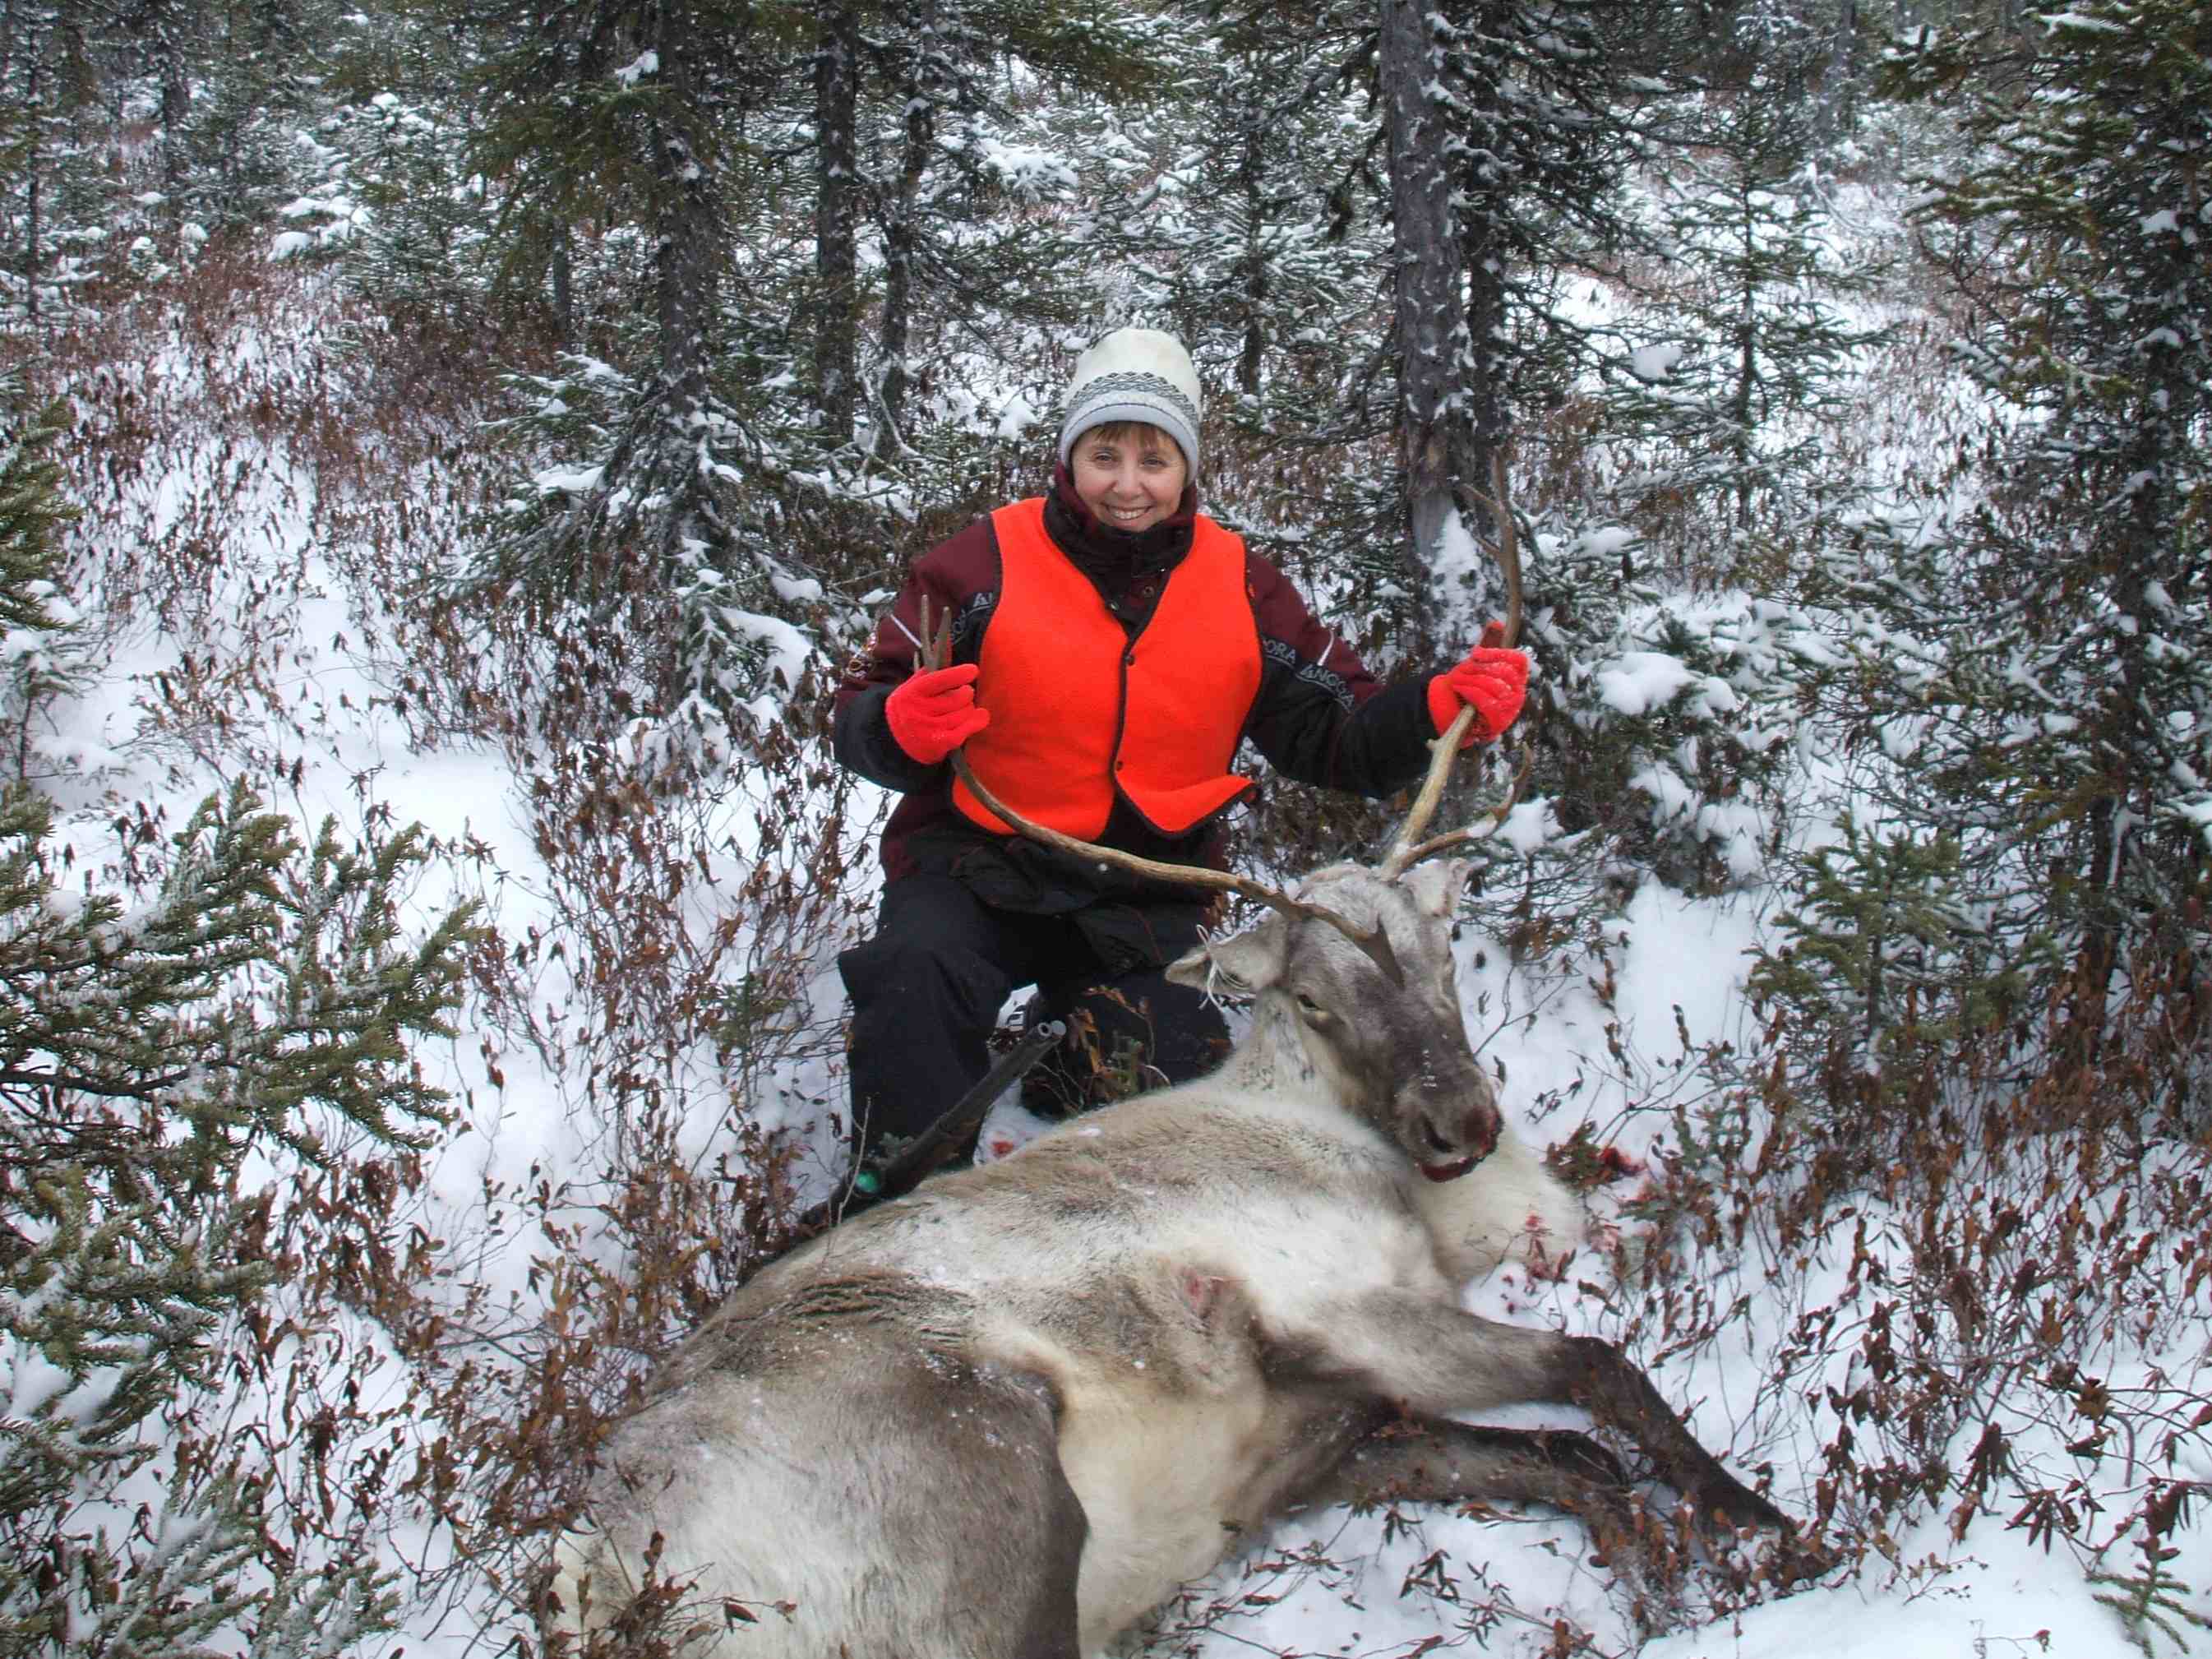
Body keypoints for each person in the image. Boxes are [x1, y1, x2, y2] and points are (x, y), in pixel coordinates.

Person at [830, 326, 1528, 1162]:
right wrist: (897, 727)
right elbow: (863, 712)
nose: (1128, 486)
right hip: (975, 870)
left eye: (1154, 460)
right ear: (1068, 457)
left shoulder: (1243, 587)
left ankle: (1068, 1067)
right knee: (913, 983)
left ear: (1189, 469)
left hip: (1139, 892)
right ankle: (902, 1199)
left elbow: (1336, 735)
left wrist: (1433, 708)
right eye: (1105, 455)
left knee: (1176, 1096)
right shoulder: (975, 566)